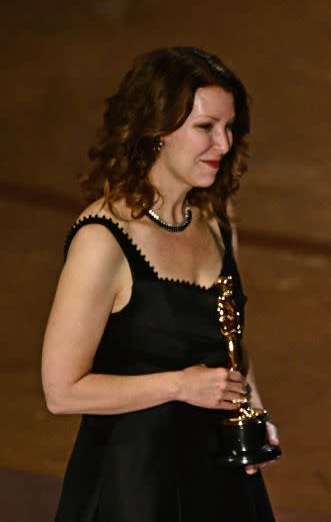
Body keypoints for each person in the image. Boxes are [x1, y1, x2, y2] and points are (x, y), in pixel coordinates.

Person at [41, 47, 278, 521]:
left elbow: (229, 342)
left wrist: (255, 409)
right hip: (134, 484)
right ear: (156, 130)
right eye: (206, 128)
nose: (224, 144)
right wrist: (179, 386)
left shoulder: (217, 223)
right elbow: (62, 391)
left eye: (229, 128)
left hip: (218, 477)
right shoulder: (103, 240)